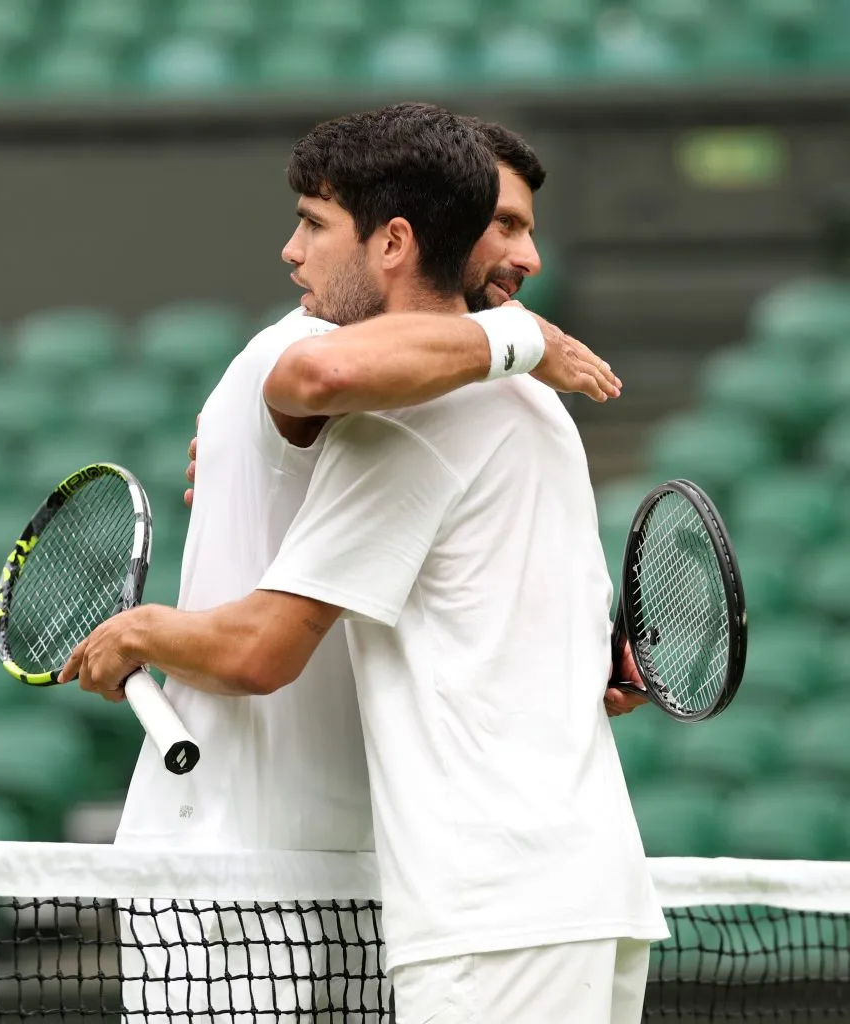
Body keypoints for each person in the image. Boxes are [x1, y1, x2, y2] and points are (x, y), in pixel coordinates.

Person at [64, 105, 665, 1023]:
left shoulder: (418, 404)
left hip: (462, 897)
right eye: (500, 222)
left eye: (311, 223)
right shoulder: (430, 380)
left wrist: (138, 630)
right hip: (327, 869)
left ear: (394, 238)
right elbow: (317, 383)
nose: (523, 258)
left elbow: (265, 647)